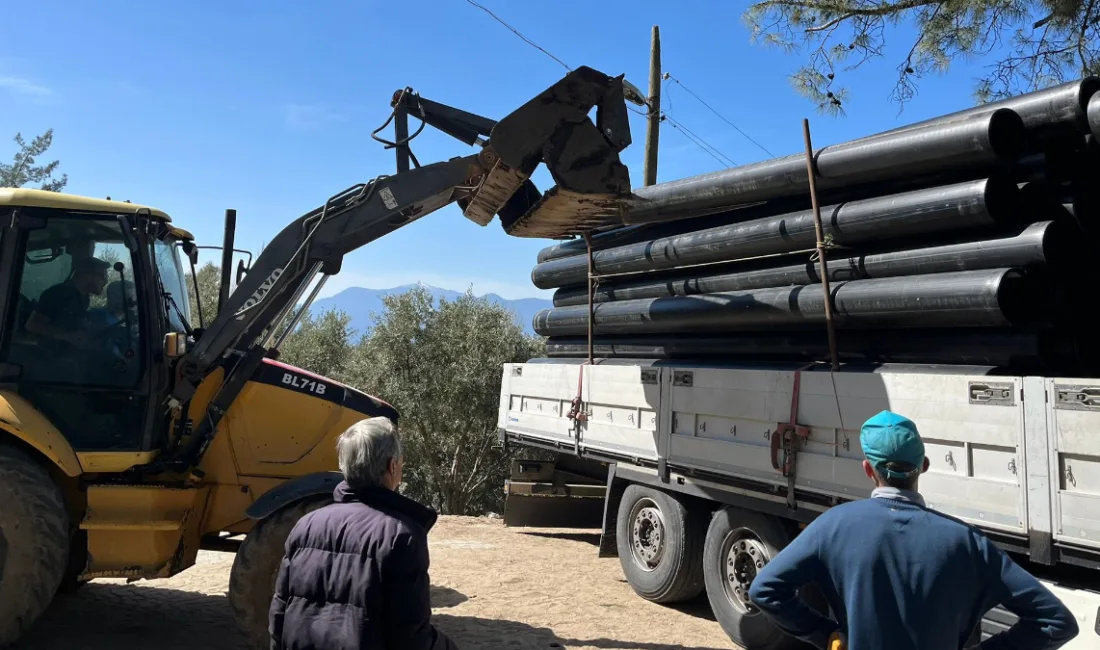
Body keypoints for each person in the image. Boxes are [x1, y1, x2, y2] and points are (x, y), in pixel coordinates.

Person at [747, 410, 1079, 650]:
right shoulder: (968, 542)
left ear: (868, 469)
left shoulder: (832, 526)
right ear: (923, 466)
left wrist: (827, 635)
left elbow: (764, 589)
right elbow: (1056, 622)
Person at [268, 416, 458, 650]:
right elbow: (410, 636)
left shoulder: (305, 525)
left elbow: (279, 615)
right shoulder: (402, 535)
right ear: (392, 466)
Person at [25, 256, 110, 346]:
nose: (105, 281)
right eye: (102, 277)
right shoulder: (57, 294)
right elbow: (31, 325)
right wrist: (66, 336)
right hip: (48, 352)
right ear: (87, 276)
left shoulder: (84, 298)